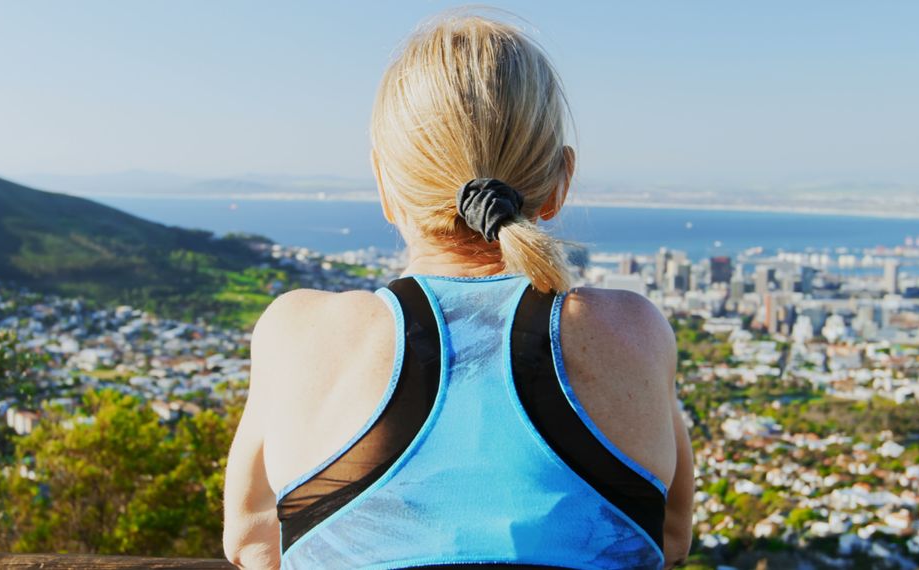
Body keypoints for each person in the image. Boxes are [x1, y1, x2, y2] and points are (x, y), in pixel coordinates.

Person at [223, 10, 693, 570]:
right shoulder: (633, 331)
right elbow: (669, 539)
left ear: (385, 185)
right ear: (560, 183)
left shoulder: (298, 335)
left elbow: (253, 542)